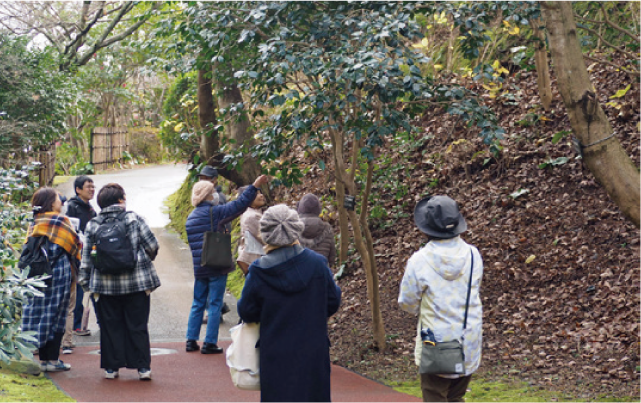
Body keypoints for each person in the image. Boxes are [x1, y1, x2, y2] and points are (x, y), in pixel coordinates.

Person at [237, 204, 342, 403]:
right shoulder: (318, 264)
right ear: (296, 229)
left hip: (275, 352)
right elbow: (333, 301)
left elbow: (246, 311)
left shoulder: (259, 271)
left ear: (265, 232)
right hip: (313, 351)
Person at [398, 195, 483, 403]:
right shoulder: (473, 255)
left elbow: (407, 302)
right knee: (456, 397)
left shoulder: (419, 261)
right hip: (467, 340)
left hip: (433, 340)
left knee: (434, 395)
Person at [79, 183, 160, 380]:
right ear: (121, 200)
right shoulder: (134, 218)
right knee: (138, 325)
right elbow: (152, 245)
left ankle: (111, 368)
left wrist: (86, 283)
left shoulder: (93, 224)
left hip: (104, 286)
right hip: (136, 284)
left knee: (110, 326)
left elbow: (87, 257)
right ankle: (143, 368)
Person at [185, 175, 269, 354]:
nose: (216, 194)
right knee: (215, 303)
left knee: (198, 302)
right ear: (208, 195)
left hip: (199, 267)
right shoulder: (214, 213)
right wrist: (254, 186)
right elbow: (238, 206)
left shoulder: (190, 218)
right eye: (213, 191)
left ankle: (191, 340)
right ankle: (209, 343)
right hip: (216, 265)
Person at [21, 188, 82, 372]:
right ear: (50, 202)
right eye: (58, 199)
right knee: (57, 314)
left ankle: (40, 360)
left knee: (38, 312)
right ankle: (52, 361)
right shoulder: (60, 220)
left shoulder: (35, 221)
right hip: (58, 273)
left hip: (36, 274)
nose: (61, 202)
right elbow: (74, 244)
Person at [61, 176, 96, 355]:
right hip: (75, 256)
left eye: (93, 186)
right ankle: (75, 326)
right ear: (78, 189)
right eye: (88, 187)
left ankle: (81, 325)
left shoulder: (90, 208)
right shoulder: (72, 207)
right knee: (78, 290)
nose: (92, 189)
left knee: (87, 288)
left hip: (88, 254)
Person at [197, 165, 230, 320]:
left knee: (212, 276)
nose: (202, 181)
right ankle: (217, 308)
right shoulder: (210, 196)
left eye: (205, 178)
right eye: (201, 178)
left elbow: (224, 221)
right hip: (212, 242)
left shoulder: (217, 198)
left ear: (214, 180)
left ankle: (214, 311)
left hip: (215, 243)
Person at [296, 193, 336, 268]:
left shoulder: (293, 228)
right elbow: (332, 257)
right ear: (318, 210)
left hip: (299, 273)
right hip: (321, 271)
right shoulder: (327, 228)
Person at [236, 186, 267, 275]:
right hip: (256, 262)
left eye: (260, 193)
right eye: (256, 194)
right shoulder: (252, 217)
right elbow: (266, 239)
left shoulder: (250, 213)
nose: (261, 195)